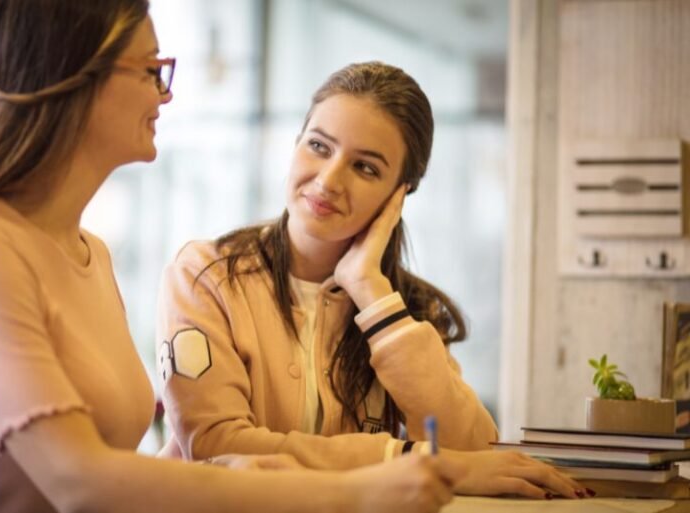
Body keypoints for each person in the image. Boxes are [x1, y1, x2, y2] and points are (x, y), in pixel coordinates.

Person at [0, 2, 468, 512]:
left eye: (367, 167)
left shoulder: (90, 253)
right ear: (72, 77)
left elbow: (113, 471)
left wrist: (247, 472)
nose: (164, 94)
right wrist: (350, 490)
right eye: (149, 71)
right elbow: (78, 481)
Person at [157, 61, 588, 500]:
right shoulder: (207, 275)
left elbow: (471, 453)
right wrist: (401, 459)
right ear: (296, 143)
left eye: (365, 168)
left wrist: (370, 291)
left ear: (399, 195)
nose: (327, 180)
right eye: (319, 146)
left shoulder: (402, 307)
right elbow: (215, 445)